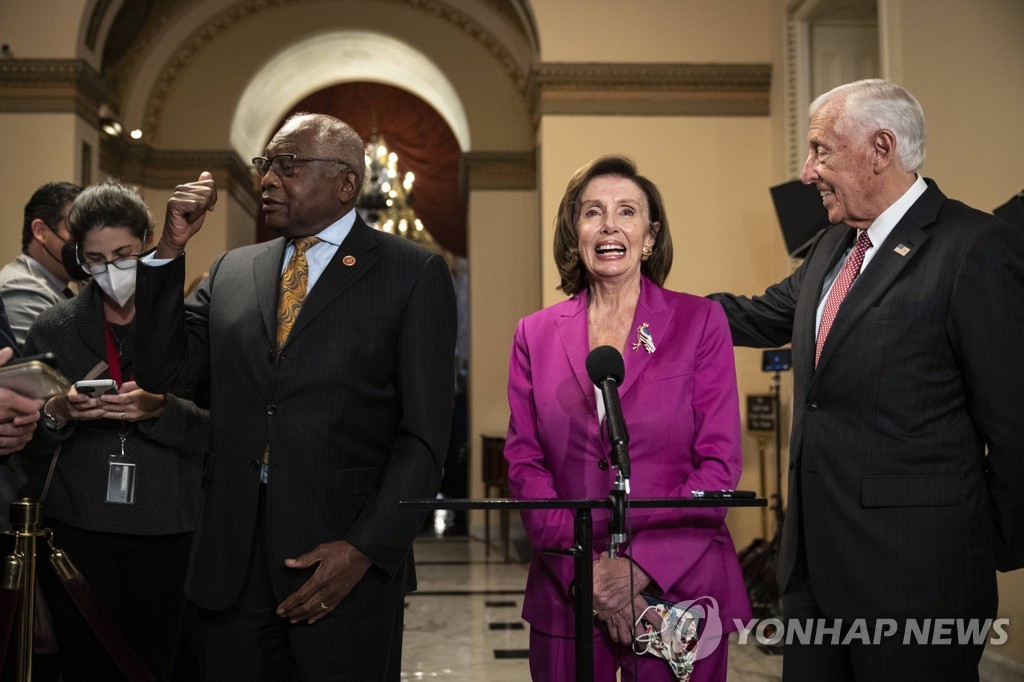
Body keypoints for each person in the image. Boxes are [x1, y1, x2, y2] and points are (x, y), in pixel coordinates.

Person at [708, 79, 1024, 681]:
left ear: (880, 148)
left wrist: (991, 544)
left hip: (918, 576)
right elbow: (754, 313)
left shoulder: (973, 247)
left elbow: (1014, 423)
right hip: (813, 570)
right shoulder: (831, 247)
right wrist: (643, 308)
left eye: (821, 150)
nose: (807, 172)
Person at [133, 112, 457, 680]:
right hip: (230, 561)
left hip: (342, 562)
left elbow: (424, 436)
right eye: (265, 166)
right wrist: (169, 249)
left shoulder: (412, 272)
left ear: (346, 184)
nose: (267, 180)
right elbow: (162, 370)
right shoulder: (234, 269)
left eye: (288, 165)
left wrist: (363, 549)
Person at [504, 155, 751, 681]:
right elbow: (525, 464)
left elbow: (719, 463)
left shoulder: (700, 323)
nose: (610, 225)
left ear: (651, 234)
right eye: (592, 212)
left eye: (627, 212)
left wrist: (637, 570)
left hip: (679, 588)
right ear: (575, 234)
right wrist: (588, 577)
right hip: (568, 587)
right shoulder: (534, 334)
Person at [23, 179, 209, 681]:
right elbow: (24, 443)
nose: (110, 272)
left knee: (153, 662)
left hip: (167, 525)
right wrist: (59, 412)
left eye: (124, 255)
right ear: (79, 258)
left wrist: (160, 410)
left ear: (149, 241)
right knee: (87, 663)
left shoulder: (188, 325)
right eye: (96, 260)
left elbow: (221, 431)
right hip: (78, 527)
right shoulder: (54, 328)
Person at [0, 182, 82, 345]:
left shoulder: (59, 287)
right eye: (76, 230)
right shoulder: (22, 289)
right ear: (40, 231)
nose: (86, 243)